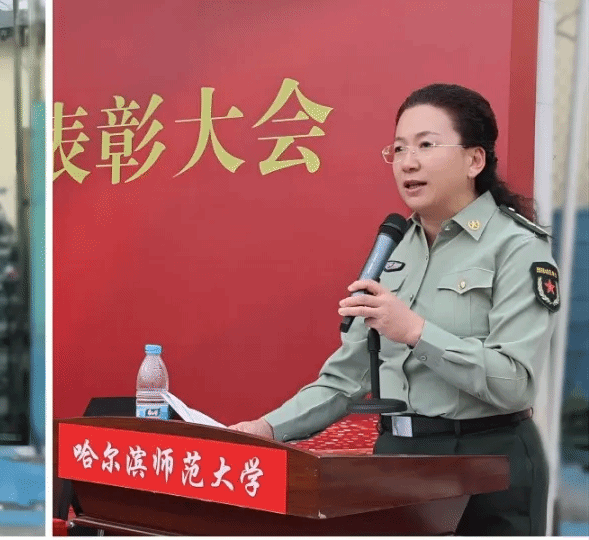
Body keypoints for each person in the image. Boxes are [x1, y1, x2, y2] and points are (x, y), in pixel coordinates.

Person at [229, 83, 557, 536]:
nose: (408, 162)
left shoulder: (517, 247)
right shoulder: (393, 249)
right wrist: (266, 429)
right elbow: (346, 378)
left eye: (426, 145)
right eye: (399, 149)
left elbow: (514, 384)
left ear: (474, 160)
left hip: (488, 465)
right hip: (396, 463)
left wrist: (416, 331)